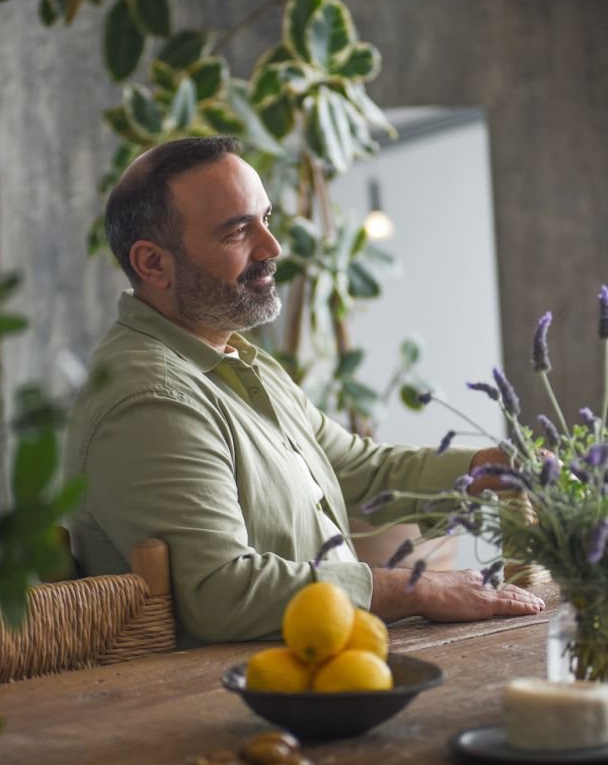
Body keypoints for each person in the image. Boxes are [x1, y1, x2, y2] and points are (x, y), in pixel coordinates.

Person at [64, 136, 545, 648]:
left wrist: (490, 469)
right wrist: (409, 588)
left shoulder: (235, 358)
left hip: (323, 663)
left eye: (266, 220)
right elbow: (221, 592)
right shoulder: (151, 402)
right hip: (231, 702)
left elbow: (357, 469)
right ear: (153, 264)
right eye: (238, 231)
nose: (272, 249)